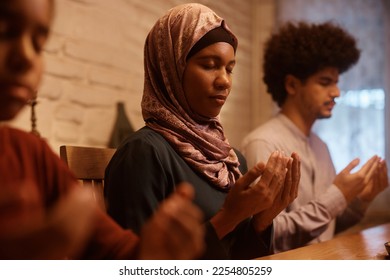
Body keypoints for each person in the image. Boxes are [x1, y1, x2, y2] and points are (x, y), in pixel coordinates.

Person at [0, 0, 205, 260]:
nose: (27, 56)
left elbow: (118, 253)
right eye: (4, 31)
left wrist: (151, 251)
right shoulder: (144, 149)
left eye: (39, 44)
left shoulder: (29, 154)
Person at [104, 3, 300, 259]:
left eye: (229, 68)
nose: (225, 81)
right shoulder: (144, 154)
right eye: (209, 65)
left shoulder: (231, 161)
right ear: (171, 68)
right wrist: (229, 217)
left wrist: (262, 220)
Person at [240, 21, 389, 253]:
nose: (336, 93)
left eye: (336, 83)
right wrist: (337, 195)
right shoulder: (263, 143)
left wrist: (361, 200)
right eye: (325, 82)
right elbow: (266, 234)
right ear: (291, 85)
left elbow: (325, 227)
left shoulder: (321, 147)